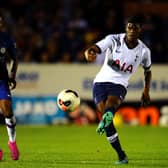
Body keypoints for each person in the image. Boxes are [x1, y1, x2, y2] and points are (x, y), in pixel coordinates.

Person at [84, 15, 152, 165]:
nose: (132, 30)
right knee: (107, 117)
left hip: (120, 84)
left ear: (140, 29)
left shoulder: (144, 51)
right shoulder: (114, 40)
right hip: (100, 82)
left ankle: (108, 116)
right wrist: (89, 52)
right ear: (125, 28)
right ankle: (121, 155)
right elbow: (96, 47)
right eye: (129, 27)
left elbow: (148, 71)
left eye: (135, 27)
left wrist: (146, 90)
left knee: (111, 106)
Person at [0, 13, 19, 160]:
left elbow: (14, 58)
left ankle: (12, 142)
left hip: (1, 80)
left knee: (7, 110)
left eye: (1, 22)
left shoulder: (6, 38)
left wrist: (12, 75)